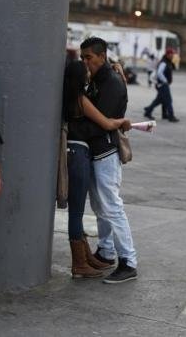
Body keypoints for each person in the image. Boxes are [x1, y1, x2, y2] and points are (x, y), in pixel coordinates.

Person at [62, 60, 131, 278]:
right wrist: (123, 122)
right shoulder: (81, 99)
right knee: (78, 212)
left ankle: (90, 257)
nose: (89, 72)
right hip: (80, 154)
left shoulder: (66, 96)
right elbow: (107, 123)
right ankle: (80, 263)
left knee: (81, 209)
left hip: (69, 152)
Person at [79, 37, 138, 284]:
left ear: (102, 57)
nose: (85, 63)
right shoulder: (100, 78)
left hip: (105, 152)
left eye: (88, 58)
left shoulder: (112, 83)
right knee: (100, 207)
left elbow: (99, 122)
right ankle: (106, 250)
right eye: (82, 58)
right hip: (98, 152)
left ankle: (128, 260)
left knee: (111, 207)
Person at [143, 48, 179, 122]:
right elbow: (159, 73)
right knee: (168, 100)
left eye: (172, 54)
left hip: (162, 84)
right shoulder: (164, 62)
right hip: (163, 84)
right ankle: (171, 116)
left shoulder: (167, 61)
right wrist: (165, 81)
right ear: (167, 54)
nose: (172, 55)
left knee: (159, 100)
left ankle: (149, 112)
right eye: (171, 54)